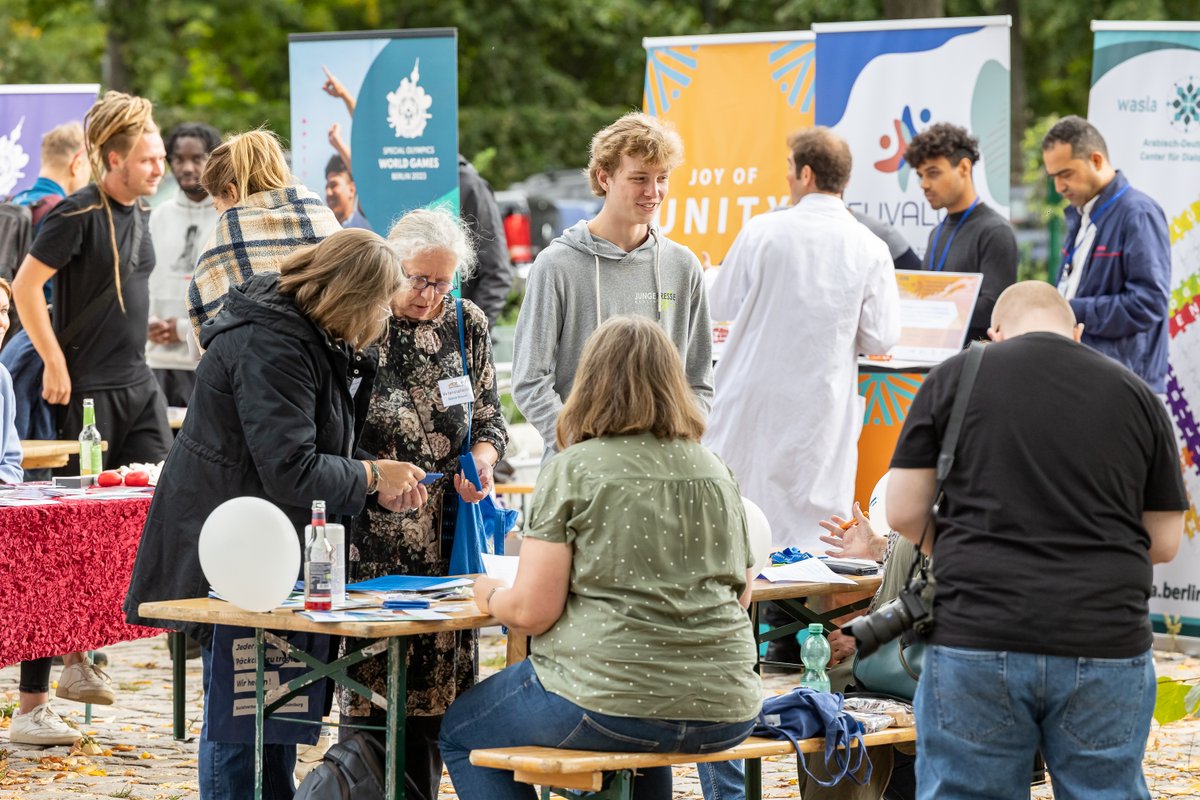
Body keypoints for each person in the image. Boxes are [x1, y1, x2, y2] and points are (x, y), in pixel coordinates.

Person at [124, 229, 428, 800]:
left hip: (265, 542)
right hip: (236, 547)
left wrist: (373, 477)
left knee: (274, 710)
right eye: (379, 306)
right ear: (352, 298)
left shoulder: (306, 335)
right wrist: (367, 476)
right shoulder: (275, 342)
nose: (383, 321)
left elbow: (310, 443)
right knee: (243, 720)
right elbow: (289, 465)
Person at [440, 315, 761, 800]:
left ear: (588, 383)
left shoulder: (575, 469)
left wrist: (489, 595)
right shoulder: (715, 469)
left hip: (603, 699)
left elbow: (531, 612)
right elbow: (742, 594)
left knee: (461, 731)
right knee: (639, 732)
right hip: (729, 704)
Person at [886, 281, 1186, 799]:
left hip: (977, 634)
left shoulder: (953, 378)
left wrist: (958, 549)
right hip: (1105, 638)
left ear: (995, 333)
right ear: (1077, 331)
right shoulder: (1135, 393)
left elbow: (903, 510)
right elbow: (1163, 542)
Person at [340, 208, 508, 800]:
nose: (428, 295)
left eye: (442, 282)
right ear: (392, 266)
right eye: (417, 279)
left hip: (448, 534)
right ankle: (365, 785)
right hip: (376, 534)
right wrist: (376, 476)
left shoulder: (469, 323)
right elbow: (336, 432)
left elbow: (489, 418)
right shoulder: (361, 322)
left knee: (444, 687)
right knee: (377, 683)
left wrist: (482, 461)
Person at [706, 128, 900, 556]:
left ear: (806, 173)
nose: (787, 178)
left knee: (739, 525)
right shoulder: (869, 247)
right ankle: (803, 622)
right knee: (811, 539)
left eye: (790, 169)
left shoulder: (763, 230)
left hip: (751, 401)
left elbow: (719, 302)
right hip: (820, 409)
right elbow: (882, 336)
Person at [512, 112, 713, 460]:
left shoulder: (683, 266)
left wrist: (677, 445)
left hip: (661, 471)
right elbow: (530, 380)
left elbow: (698, 381)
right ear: (604, 177)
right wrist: (579, 447)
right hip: (578, 472)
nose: (654, 192)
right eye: (639, 178)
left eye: (662, 178)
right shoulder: (557, 265)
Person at [11, 91, 173, 474]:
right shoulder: (77, 212)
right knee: (86, 516)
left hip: (140, 384)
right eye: (147, 160)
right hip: (87, 391)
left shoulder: (142, 210)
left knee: (159, 496)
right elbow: (24, 286)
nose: (158, 169)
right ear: (115, 160)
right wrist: (53, 362)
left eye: (160, 158)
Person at [1042, 115, 1171, 393]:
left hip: (1124, 385)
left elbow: (1149, 304)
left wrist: (1071, 310)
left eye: (1066, 174)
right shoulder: (1081, 215)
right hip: (1087, 375)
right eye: (1053, 177)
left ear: (1097, 161)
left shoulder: (1138, 213)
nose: (1059, 187)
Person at [187, 129, 342, 340]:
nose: (219, 213)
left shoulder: (220, 244)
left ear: (232, 192)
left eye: (216, 206)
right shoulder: (325, 221)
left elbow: (204, 341)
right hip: (331, 364)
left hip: (255, 370)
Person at [1, 121, 90, 443]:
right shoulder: (61, 212)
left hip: (9, 338)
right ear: (78, 161)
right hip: (40, 342)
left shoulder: (15, 201)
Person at [905, 123, 1018, 343]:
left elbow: (996, 309)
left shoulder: (995, 232)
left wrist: (930, 309)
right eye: (920, 175)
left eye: (933, 173)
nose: (924, 184)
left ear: (964, 168)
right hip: (931, 361)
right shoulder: (936, 233)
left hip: (975, 369)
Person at [147, 122, 221, 406]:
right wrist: (147, 323)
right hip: (157, 359)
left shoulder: (225, 216)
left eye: (197, 158)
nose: (187, 168)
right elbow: (143, 280)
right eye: (178, 159)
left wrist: (184, 330)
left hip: (205, 361)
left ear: (212, 159)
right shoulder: (158, 214)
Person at [457, 154, 512, 328]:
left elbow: (496, 273)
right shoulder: (384, 175)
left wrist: (470, 336)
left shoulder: (468, 186)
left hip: (455, 340)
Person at [324, 153, 371, 230]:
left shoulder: (361, 223)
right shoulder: (327, 233)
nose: (328, 193)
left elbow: (366, 184)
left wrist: (337, 143)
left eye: (334, 185)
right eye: (326, 188)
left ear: (352, 190)